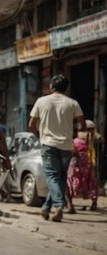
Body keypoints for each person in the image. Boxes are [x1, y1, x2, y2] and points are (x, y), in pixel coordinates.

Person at [29, 74, 85, 222]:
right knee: (60, 178)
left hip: (48, 144)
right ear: (66, 88)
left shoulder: (41, 101)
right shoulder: (72, 103)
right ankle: (46, 208)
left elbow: (31, 125)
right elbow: (83, 124)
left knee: (53, 177)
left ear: (52, 86)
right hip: (66, 146)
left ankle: (59, 205)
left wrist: (41, 136)